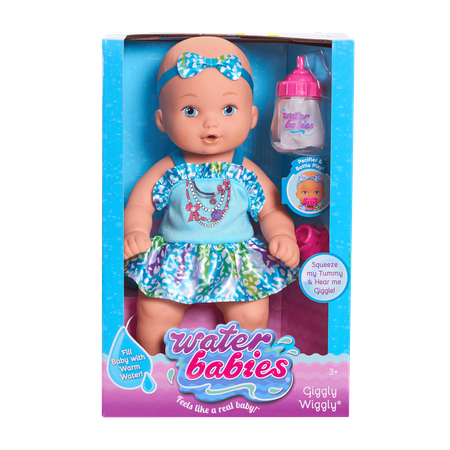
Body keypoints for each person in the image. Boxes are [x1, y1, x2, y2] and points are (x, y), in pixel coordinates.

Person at [124, 36, 300, 355]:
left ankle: (245, 361)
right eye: (190, 110)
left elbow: (271, 209)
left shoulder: (246, 171)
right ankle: (151, 363)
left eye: (228, 109)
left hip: (237, 258)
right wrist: (134, 230)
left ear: (252, 117)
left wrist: (282, 235)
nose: (211, 122)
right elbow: (139, 203)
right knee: (154, 311)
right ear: (162, 120)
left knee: (250, 313)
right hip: (177, 257)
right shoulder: (169, 169)